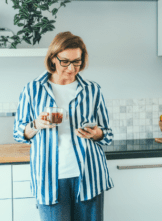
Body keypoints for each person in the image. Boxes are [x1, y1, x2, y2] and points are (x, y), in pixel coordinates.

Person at [13, 31, 114, 221]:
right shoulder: (32, 89)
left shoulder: (92, 90)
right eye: (65, 61)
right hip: (49, 179)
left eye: (77, 61)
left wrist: (96, 133)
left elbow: (107, 134)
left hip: (89, 176)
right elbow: (18, 133)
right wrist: (36, 124)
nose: (71, 68)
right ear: (53, 58)